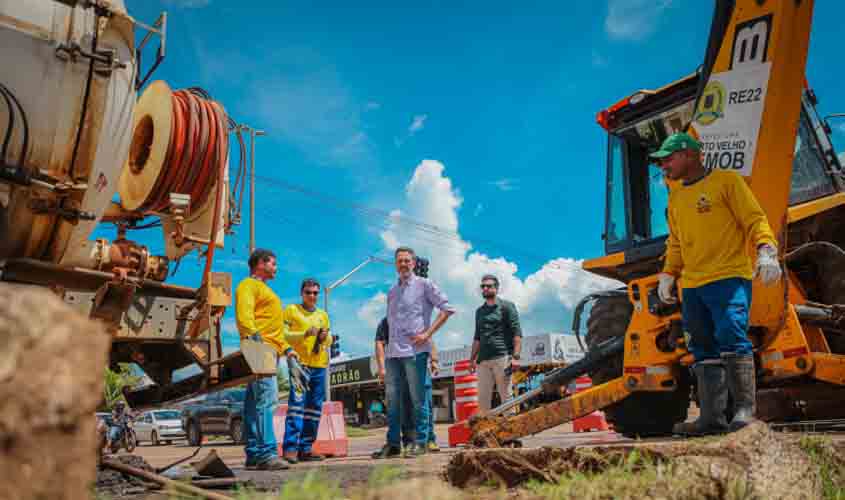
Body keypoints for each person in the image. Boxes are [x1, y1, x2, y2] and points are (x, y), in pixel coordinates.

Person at [651, 132, 782, 436]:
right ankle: (711, 418)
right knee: (701, 347)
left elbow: (754, 219)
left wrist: (766, 249)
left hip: (728, 277)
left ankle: (744, 412)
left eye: (668, 159)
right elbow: (676, 242)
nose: (663, 166)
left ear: (689, 154)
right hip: (693, 286)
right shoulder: (676, 196)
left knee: (731, 337)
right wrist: (668, 273)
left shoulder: (726, 181)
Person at [372, 246, 454, 459]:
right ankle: (393, 444)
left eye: (407, 260)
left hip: (415, 353)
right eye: (399, 261)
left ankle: (421, 442)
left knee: (419, 400)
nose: (403, 264)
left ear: (414, 263)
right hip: (393, 355)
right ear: (395, 264)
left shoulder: (425, 285)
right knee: (393, 401)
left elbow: (447, 309)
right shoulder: (392, 292)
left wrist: (427, 334)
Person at [235, 249, 298, 470]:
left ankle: (254, 453)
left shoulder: (266, 290)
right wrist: (255, 341)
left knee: (254, 404)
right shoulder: (248, 285)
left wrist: (287, 348)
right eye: (273, 263)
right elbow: (244, 315)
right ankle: (267, 454)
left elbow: (275, 328)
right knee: (267, 401)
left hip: (267, 348)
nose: (276, 268)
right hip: (259, 348)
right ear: (260, 264)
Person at [281, 278, 332, 463]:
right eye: (308, 292)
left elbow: (329, 340)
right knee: (296, 406)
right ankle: (290, 449)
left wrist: (325, 337)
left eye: (315, 293)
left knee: (314, 409)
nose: (312, 296)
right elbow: (283, 335)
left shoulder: (323, 315)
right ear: (301, 293)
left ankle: (306, 448)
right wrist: (305, 334)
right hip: (300, 365)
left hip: (319, 366)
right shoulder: (291, 310)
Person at [469, 274, 523, 413]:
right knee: (483, 399)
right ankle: (485, 425)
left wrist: (516, 357)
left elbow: (517, 333)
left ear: (496, 288)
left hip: (502, 357)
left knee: (506, 396)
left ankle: (511, 425)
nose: (485, 288)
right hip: (482, 361)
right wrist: (472, 360)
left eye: (489, 286)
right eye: (483, 286)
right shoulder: (479, 311)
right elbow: (477, 337)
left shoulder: (507, 306)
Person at [374, 316, 416, 452]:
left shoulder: (409, 318)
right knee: (393, 404)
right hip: (392, 362)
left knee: (408, 402)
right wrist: (381, 368)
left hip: (409, 360)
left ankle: (410, 441)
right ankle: (393, 443)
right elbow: (379, 342)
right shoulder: (385, 321)